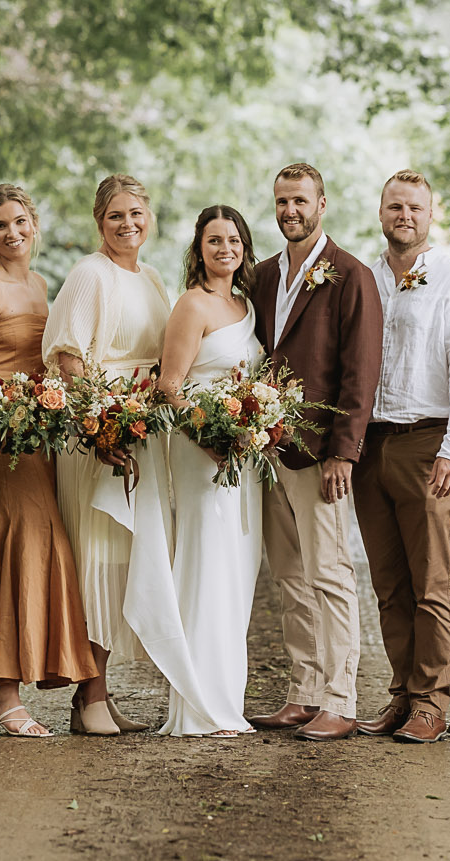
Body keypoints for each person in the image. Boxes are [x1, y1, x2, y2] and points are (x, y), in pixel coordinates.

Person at [0, 184, 99, 737]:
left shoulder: (41, 286)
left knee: (40, 547)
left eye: (19, 222)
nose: (12, 233)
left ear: (35, 224)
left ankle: (4, 690)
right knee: (5, 547)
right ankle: (2, 695)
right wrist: (7, 400)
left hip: (38, 436)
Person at [247, 163, 381, 743]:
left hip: (318, 451)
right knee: (288, 576)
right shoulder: (260, 275)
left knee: (328, 571)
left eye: (300, 200)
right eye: (281, 201)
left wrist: (343, 455)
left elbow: (361, 372)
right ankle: (303, 691)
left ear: (322, 205)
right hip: (264, 450)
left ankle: (340, 697)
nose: (289, 211)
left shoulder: (351, 275)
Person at [352, 170, 450, 744]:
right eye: (394, 206)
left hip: (429, 443)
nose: (403, 215)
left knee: (432, 580)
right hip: (370, 446)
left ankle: (432, 701)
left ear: (431, 215)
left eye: (414, 207)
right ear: (380, 213)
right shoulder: (361, 279)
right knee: (389, 583)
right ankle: (402, 694)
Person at [42, 174, 172, 734]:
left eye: (137, 213)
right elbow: (68, 359)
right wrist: (102, 426)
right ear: (100, 221)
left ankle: (98, 693)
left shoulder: (153, 277)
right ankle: (88, 697)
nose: (129, 224)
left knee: (124, 563)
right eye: (117, 215)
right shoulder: (89, 275)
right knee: (96, 558)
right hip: (97, 435)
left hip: (142, 430)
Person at [143, 206, 266, 736]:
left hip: (244, 456)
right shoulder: (191, 305)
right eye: (214, 240)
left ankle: (225, 701)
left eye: (234, 240)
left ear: (244, 247)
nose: (225, 249)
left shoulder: (247, 304)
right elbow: (169, 386)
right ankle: (198, 705)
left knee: (239, 572)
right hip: (202, 453)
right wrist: (211, 439)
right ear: (199, 249)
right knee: (207, 567)